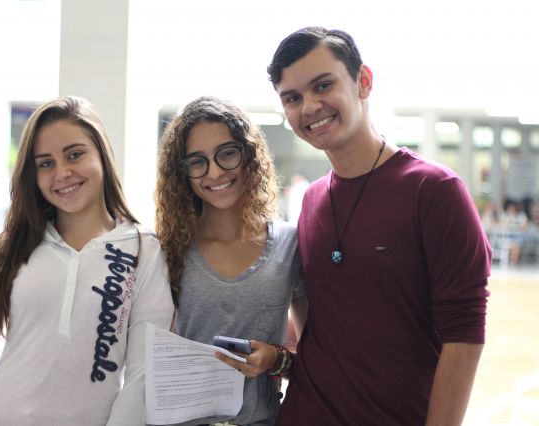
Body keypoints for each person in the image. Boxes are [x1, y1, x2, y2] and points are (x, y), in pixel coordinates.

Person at [267, 27, 491, 425]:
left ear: (363, 82)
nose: (310, 106)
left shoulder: (434, 191)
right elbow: (322, 323)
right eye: (293, 98)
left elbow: (464, 334)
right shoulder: (312, 201)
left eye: (323, 85)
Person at [0, 96, 174, 426]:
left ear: (101, 153)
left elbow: (142, 378)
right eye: (45, 163)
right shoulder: (13, 246)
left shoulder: (143, 250)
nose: (62, 173)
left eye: (75, 154)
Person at [155, 96, 308, 425]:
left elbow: (315, 364)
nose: (214, 172)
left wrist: (276, 360)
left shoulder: (290, 245)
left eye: (226, 154)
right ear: (182, 172)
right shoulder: (166, 250)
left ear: (248, 155)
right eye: (197, 161)